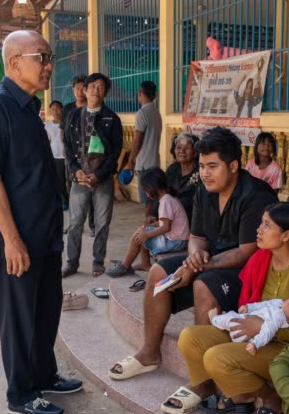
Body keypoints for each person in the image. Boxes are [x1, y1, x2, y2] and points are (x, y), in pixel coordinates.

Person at [0, 30, 82, 414]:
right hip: (16, 238)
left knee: (45, 309)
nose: (49, 65)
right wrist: (11, 240)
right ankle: (21, 393)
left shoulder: (29, 108)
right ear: (15, 62)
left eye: (50, 57)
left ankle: (44, 375)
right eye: (42, 58)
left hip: (44, 231)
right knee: (20, 317)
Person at [110, 127, 278, 381]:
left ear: (233, 166)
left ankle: (204, 380)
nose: (205, 173)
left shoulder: (255, 195)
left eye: (212, 166)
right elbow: (196, 237)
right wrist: (195, 256)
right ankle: (149, 353)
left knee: (203, 285)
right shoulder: (203, 190)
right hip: (211, 261)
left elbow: (246, 252)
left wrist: (197, 266)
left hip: (248, 271)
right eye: (202, 166)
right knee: (158, 272)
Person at [168, 202, 289, 414]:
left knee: (216, 358)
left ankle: (270, 398)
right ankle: (229, 392)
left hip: (286, 347)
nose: (259, 230)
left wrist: (261, 328)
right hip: (254, 333)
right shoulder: (260, 259)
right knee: (189, 337)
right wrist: (244, 320)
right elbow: (249, 303)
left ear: (286, 235)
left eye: (267, 225)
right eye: (261, 223)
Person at [62, 72, 123, 278]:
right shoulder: (73, 116)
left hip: (102, 179)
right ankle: (71, 262)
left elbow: (115, 153)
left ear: (105, 93)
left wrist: (99, 174)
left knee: (102, 222)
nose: (96, 90)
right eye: (92, 86)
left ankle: (98, 262)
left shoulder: (112, 119)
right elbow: (67, 146)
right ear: (85, 90)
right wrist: (75, 170)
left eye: (101, 87)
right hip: (80, 177)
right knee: (75, 223)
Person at [105, 168, 188, 277]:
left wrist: (147, 234)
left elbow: (166, 227)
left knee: (141, 235)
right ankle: (144, 263)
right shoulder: (168, 198)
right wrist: (147, 227)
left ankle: (125, 266)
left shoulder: (166, 201)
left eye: (146, 189)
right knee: (143, 231)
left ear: (153, 187)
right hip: (178, 239)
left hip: (176, 242)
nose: (145, 192)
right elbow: (163, 222)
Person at [210, 297, 289, 355]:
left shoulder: (279, 317)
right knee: (232, 317)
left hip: (245, 336)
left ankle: (214, 319)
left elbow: (267, 331)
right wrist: (250, 307)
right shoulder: (279, 303)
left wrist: (256, 343)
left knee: (230, 319)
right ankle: (221, 320)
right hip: (246, 319)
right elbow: (264, 304)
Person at [62, 74, 92, 236]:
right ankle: (73, 223)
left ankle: (93, 225)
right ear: (73, 89)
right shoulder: (68, 109)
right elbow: (63, 131)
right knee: (71, 189)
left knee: (91, 188)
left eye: (82, 88)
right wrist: (65, 150)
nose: (79, 91)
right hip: (72, 157)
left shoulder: (93, 106)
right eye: (77, 88)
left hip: (90, 157)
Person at [126, 80, 163, 206]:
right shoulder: (156, 113)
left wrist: (130, 160)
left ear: (140, 93)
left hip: (144, 164)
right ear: (154, 95)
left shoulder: (142, 113)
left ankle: (149, 219)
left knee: (147, 202)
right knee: (154, 199)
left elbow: (137, 141)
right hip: (154, 161)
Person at [165, 133, 201, 222]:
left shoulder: (200, 171)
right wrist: (153, 214)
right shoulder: (172, 169)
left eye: (187, 148)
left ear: (195, 152)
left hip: (191, 220)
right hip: (170, 217)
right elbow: (161, 190)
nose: (182, 151)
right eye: (178, 147)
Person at [45, 100, 68, 209]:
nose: (55, 111)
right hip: (56, 157)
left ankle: (73, 200)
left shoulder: (67, 123)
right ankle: (65, 201)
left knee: (71, 180)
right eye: (53, 109)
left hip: (68, 157)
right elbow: (47, 142)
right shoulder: (48, 126)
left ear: (62, 109)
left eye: (57, 109)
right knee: (60, 181)